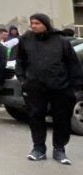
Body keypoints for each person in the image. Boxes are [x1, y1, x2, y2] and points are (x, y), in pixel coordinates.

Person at [17, 13, 83, 165]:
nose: (33, 26)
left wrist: (76, 86)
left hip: (60, 86)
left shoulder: (61, 41)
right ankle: (38, 148)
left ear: (46, 24)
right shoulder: (26, 40)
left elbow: (73, 64)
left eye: (37, 23)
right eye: (32, 23)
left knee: (61, 118)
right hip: (34, 87)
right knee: (35, 115)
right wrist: (22, 80)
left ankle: (59, 149)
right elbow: (20, 61)